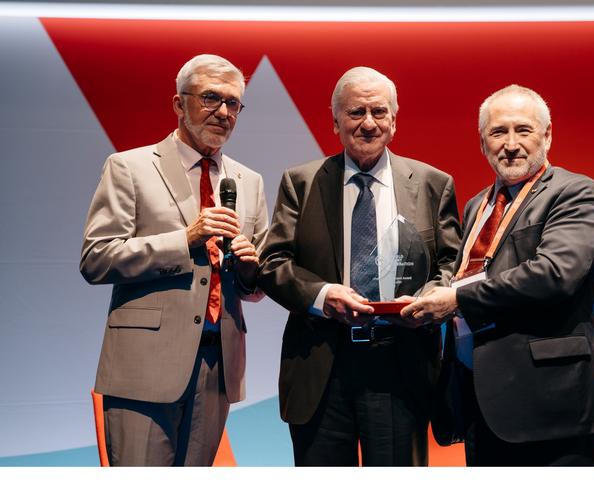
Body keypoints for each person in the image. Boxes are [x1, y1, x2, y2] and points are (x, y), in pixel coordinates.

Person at [401, 84, 594, 466]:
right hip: (481, 399)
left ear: (547, 135)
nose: (511, 144)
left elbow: (555, 273)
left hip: (551, 404)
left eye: (524, 130)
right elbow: (462, 275)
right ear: (482, 142)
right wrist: (429, 297)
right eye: (498, 132)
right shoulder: (477, 205)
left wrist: (456, 300)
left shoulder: (575, 192)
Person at [257, 67, 461, 466]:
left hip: (400, 364)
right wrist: (322, 295)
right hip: (321, 367)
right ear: (335, 121)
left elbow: (451, 264)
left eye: (379, 111)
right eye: (355, 113)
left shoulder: (433, 183)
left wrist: (425, 302)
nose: (368, 123)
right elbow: (272, 262)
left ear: (394, 120)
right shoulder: (301, 181)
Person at [79, 54, 268, 466]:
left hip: (218, 363)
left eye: (233, 103)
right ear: (179, 104)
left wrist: (253, 271)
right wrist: (184, 239)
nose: (223, 112)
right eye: (210, 98)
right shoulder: (129, 167)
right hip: (145, 363)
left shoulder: (249, 181)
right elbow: (96, 258)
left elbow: (254, 287)